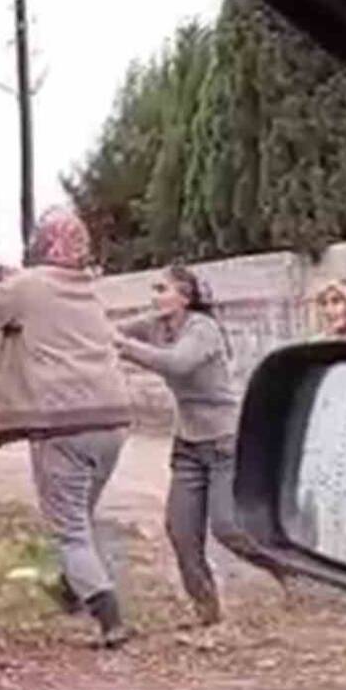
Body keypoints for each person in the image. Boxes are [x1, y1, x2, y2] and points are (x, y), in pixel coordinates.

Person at [0, 208, 134, 649]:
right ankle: (73, 588)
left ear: (45, 243)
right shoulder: (87, 290)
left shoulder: (29, 285)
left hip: (62, 422)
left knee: (70, 528)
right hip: (113, 421)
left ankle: (108, 615)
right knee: (80, 515)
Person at [116, 264, 286, 625]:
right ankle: (206, 611)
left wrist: (122, 347)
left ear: (185, 297)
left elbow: (177, 364)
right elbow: (110, 331)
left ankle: (291, 570)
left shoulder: (202, 329)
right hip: (188, 444)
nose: (154, 296)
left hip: (224, 441)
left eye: (162, 289)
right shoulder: (157, 325)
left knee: (228, 528)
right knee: (181, 531)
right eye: (154, 289)